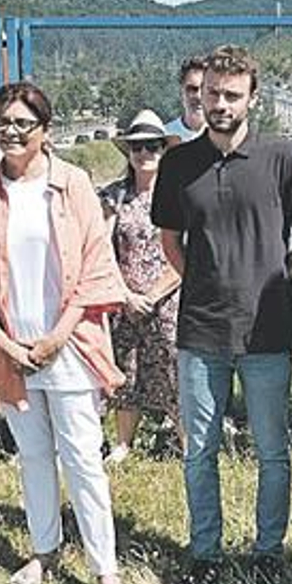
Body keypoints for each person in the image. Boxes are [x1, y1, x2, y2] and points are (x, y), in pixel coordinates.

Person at [0, 83, 132, 584]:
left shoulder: (71, 184)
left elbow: (98, 266)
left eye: (22, 123)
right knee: (32, 456)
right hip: (10, 350)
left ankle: (106, 570)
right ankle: (44, 551)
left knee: (82, 460)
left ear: (44, 131)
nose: (11, 131)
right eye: (3, 122)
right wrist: (3, 340)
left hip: (69, 346)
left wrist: (58, 334)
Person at [152, 45, 292, 584]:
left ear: (252, 98)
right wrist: (206, 281)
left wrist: (280, 284)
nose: (220, 103)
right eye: (211, 94)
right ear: (198, 96)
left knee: (272, 451)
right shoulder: (178, 163)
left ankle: (267, 551)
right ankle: (205, 554)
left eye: (231, 94)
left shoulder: (281, 159)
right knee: (199, 450)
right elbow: (170, 242)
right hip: (201, 331)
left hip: (268, 332)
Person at [101, 110, 183, 464]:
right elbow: (103, 248)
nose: (144, 153)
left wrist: (151, 296)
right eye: (137, 147)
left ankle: (185, 440)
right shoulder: (113, 197)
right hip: (123, 299)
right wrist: (125, 295)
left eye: (152, 146)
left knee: (175, 370)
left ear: (164, 150)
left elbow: (184, 251)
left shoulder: (179, 194)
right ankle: (124, 442)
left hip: (168, 300)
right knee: (126, 370)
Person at [162, 55, 207, 142]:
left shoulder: (224, 138)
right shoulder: (165, 137)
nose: (198, 96)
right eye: (192, 89)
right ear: (181, 90)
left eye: (204, 89)